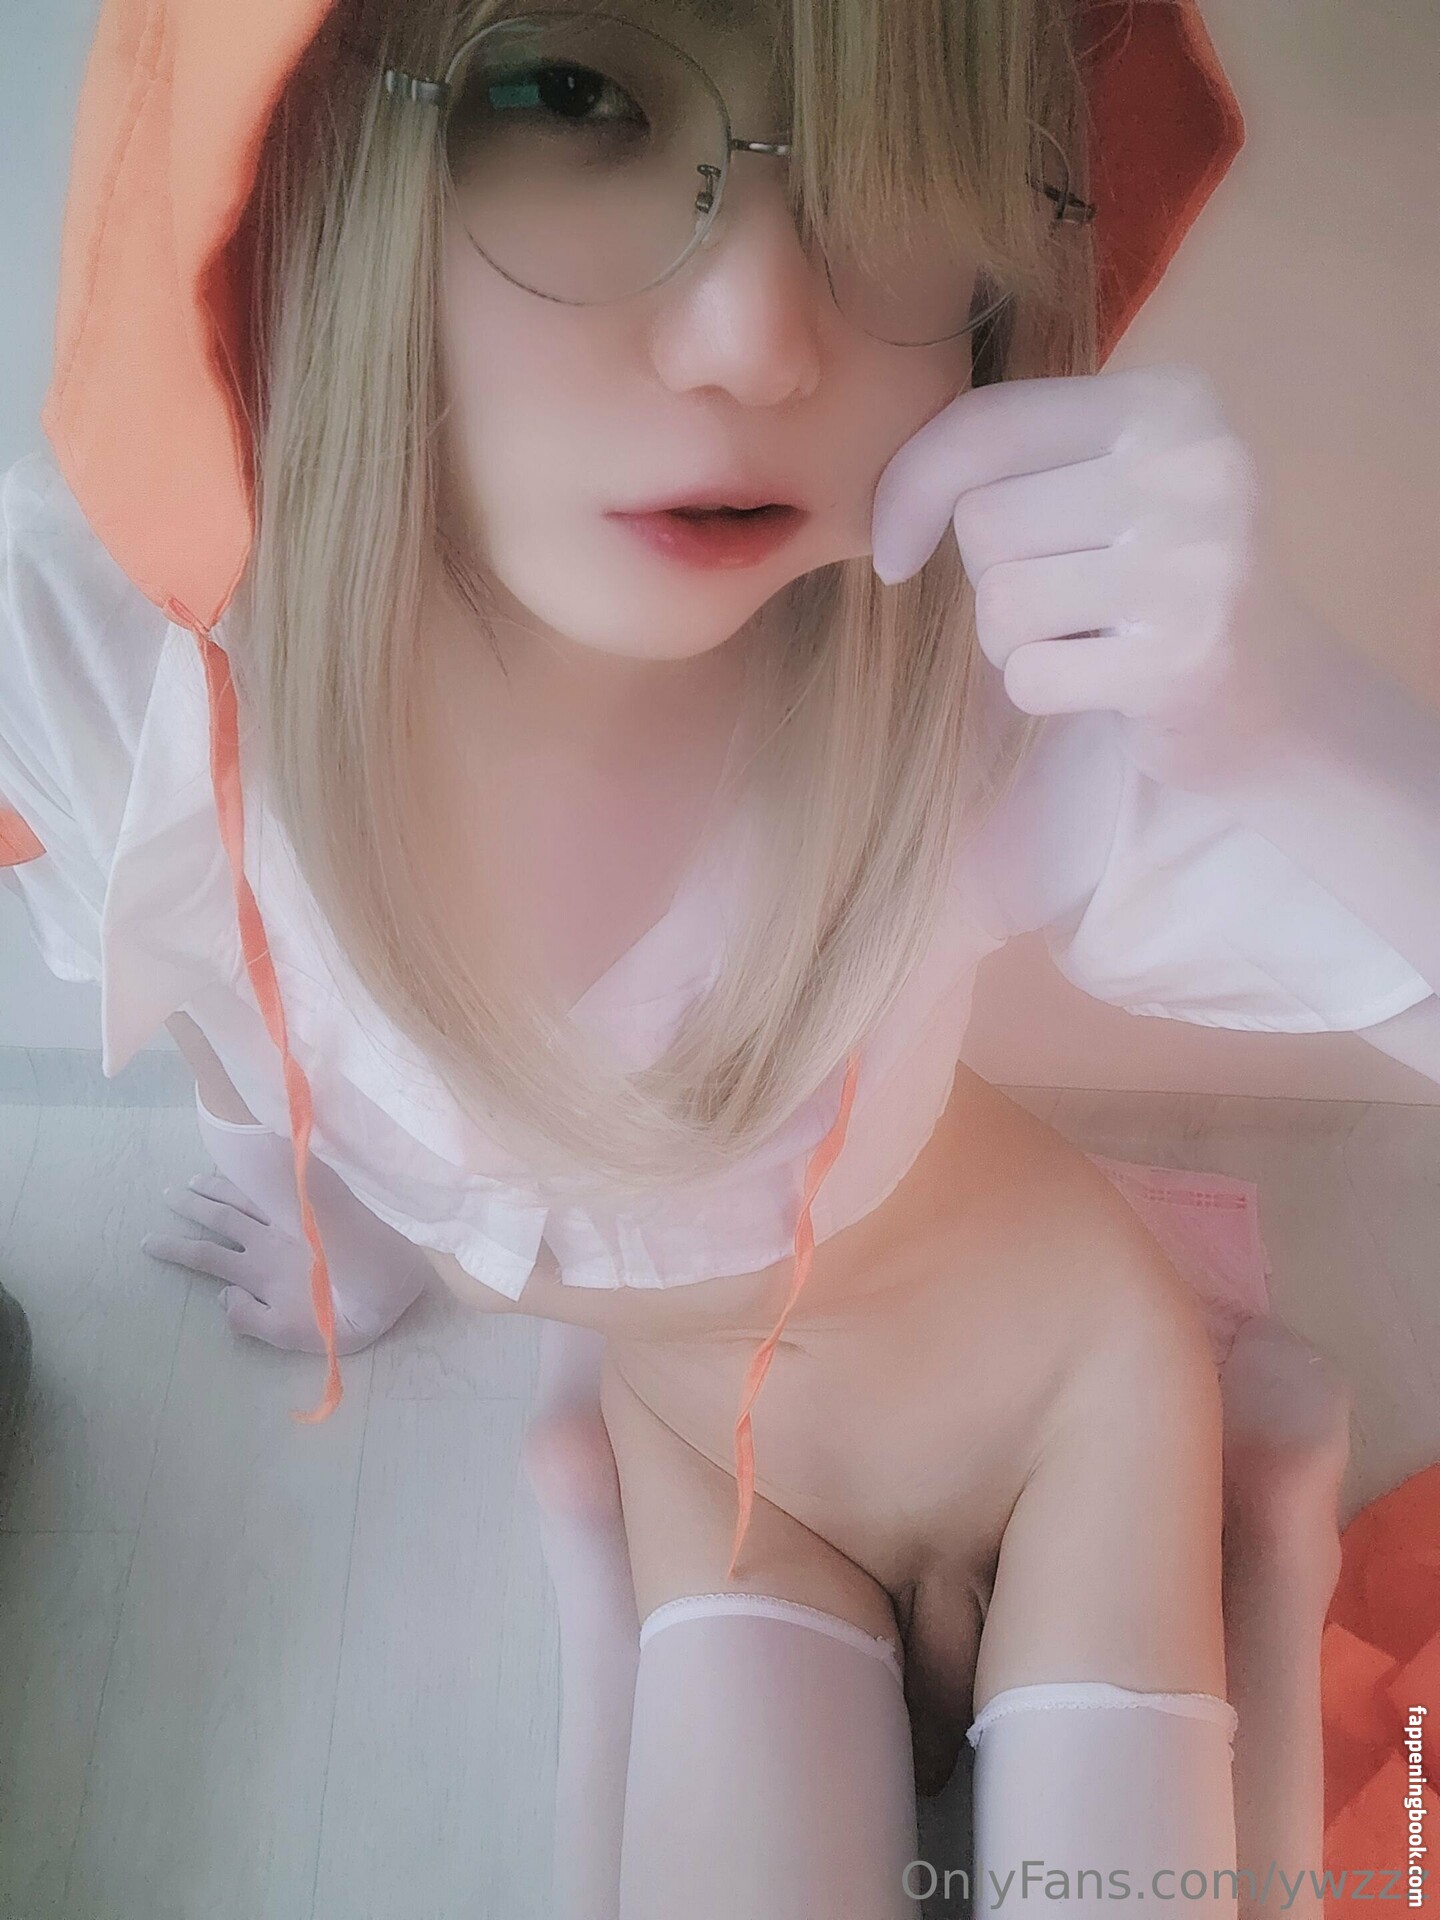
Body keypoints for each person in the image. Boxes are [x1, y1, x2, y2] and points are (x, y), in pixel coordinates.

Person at [3, 0, 1438, 1913]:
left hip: (1063, 1400)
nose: (761, 337)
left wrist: (1300, 726)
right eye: (570, 92)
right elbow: (205, 973)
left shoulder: (987, 694)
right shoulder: (111, 665)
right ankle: (619, 1552)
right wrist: (323, 1213)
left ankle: (1262, 1518)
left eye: (895, 171)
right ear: (291, 145)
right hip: (712, 1445)